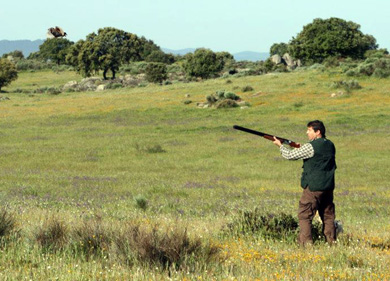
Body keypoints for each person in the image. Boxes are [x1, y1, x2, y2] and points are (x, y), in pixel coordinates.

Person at [272, 120, 337, 246]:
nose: (307, 132)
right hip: (328, 186)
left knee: (304, 215)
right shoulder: (330, 144)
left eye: (309, 130)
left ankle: (306, 244)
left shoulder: (310, 146)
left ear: (317, 132)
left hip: (313, 186)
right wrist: (298, 147)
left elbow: (290, 156)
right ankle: (332, 242)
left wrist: (280, 146)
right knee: (328, 215)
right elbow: (317, 156)